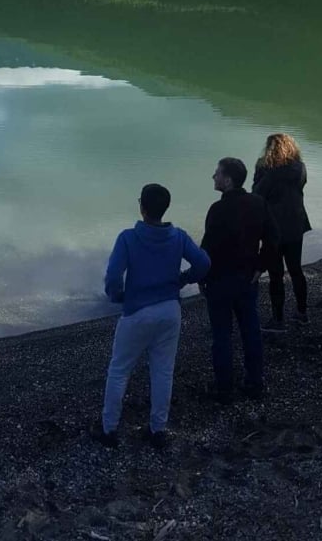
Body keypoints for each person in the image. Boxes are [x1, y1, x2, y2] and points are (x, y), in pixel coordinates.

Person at [96, 183, 210, 449]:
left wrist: (118, 296)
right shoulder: (178, 236)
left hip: (137, 311)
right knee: (163, 371)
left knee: (119, 370)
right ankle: (158, 429)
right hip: (169, 310)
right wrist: (184, 279)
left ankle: (109, 430)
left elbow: (113, 277)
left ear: (142, 208)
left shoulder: (128, 238)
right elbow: (204, 263)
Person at [199, 157, 278, 403]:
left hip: (220, 280)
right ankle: (255, 382)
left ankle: (224, 387)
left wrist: (202, 277)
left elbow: (208, 249)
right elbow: (273, 238)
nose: (214, 176)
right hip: (247, 277)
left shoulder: (218, 209)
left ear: (228, 180)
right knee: (250, 330)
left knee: (222, 335)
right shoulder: (258, 203)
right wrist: (261, 266)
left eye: (217, 173)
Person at [252, 133, 312, 330]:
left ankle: (278, 319)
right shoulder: (300, 168)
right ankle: (302, 313)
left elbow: (257, 194)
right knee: (296, 270)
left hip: (274, 228)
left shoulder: (267, 170)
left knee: (276, 274)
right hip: (296, 224)